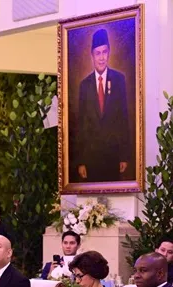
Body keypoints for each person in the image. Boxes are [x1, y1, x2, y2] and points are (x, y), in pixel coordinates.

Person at [75, 28, 131, 183]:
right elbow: (81, 125)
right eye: (98, 53)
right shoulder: (84, 85)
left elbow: (123, 118)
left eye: (104, 52)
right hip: (91, 157)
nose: (101, 58)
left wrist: (124, 156)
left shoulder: (119, 80)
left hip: (113, 156)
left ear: (109, 53)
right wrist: (81, 161)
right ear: (92, 55)